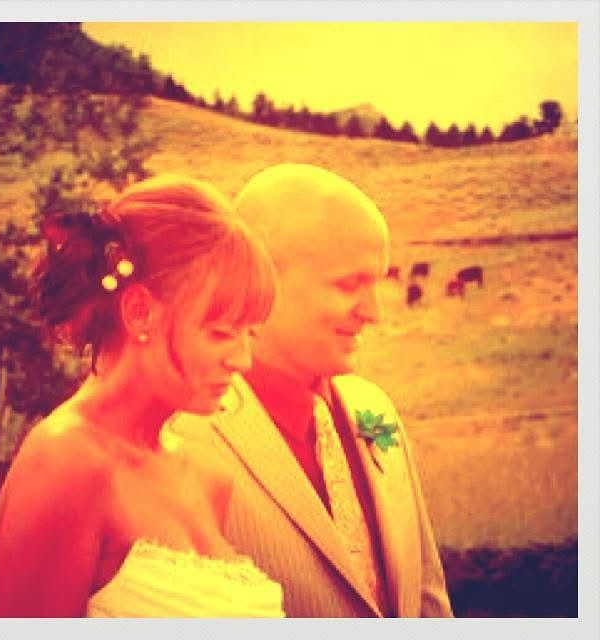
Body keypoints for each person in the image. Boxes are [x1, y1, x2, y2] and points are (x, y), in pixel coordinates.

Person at [0, 173, 285, 617]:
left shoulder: (209, 479)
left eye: (250, 334)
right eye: (222, 333)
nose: (243, 360)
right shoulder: (65, 463)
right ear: (140, 312)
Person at [165, 163, 453, 617]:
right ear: (261, 276)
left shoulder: (375, 408)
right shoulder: (183, 441)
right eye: (349, 285)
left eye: (376, 282)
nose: (374, 312)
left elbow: (428, 598)